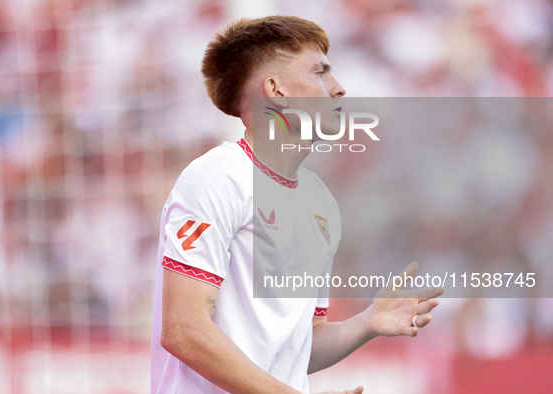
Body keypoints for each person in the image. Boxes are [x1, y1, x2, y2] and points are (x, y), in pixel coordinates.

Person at [151, 16, 443, 394]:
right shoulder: (216, 178)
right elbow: (184, 330)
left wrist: (367, 322)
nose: (338, 89)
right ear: (276, 90)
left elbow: (299, 344)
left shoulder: (320, 201)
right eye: (320, 73)